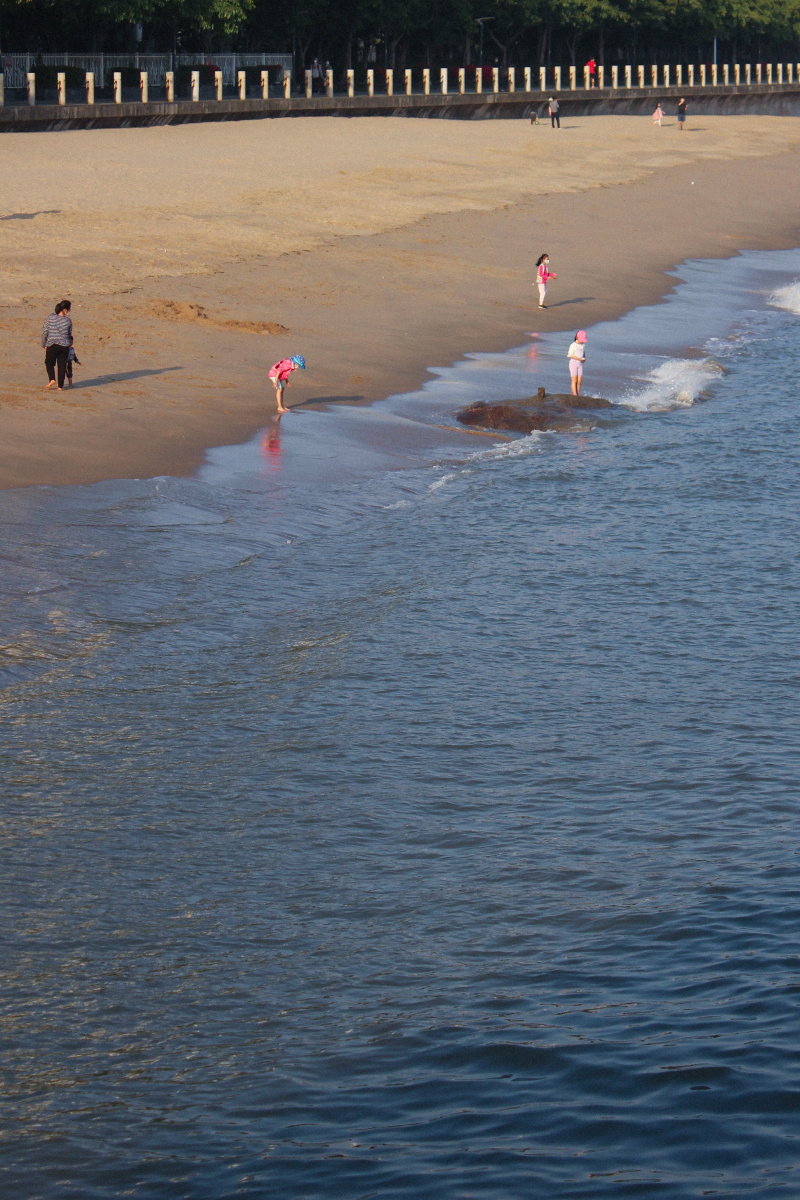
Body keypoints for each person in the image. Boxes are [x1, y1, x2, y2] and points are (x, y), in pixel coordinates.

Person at [41, 300, 73, 392]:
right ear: (64, 309)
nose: (68, 311)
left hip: (52, 344)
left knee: (49, 363)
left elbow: (45, 332)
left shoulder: (50, 318)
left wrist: (43, 343)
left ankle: (52, 379)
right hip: (64, 346)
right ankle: (60, 386)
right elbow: (69, 334)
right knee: (62, 365)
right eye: (68, 309)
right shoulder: (68, 321)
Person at [568, 330, 587, 396]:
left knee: (579, 381)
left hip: (580, 364)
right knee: (574, 380)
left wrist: (584, 358)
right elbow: (569, 355)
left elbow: (583, 353)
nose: (582, 341)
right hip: (573, 363)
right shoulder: (573, 345)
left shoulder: (583, 345)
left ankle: (577, 394)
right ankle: (574, 394)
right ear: (577, 337)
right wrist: (579, 358)